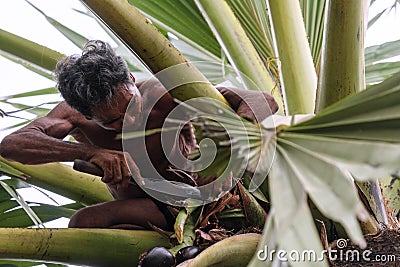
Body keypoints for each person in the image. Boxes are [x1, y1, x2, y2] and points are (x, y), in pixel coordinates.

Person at [0, 40, 278, 231]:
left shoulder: (166, 93)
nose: (129, 120)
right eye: (111, 121)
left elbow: (262, 101)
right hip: (150, 207)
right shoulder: (73, 116)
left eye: (132, 106)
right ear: (85, 115)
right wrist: (88, 152)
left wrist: (228, 152)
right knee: (84, 222)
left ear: (131, 81)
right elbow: (12, 146)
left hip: (203, 198)